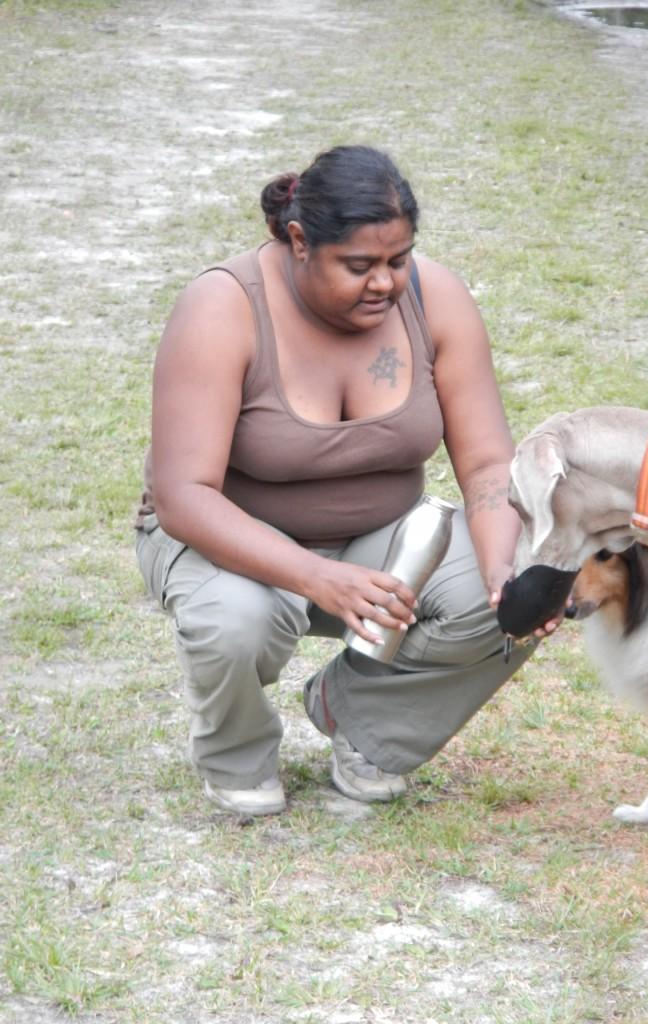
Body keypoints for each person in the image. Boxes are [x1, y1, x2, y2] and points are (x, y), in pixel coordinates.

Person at [135, 144, 541, 818]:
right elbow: (185, 496)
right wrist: (317, 578)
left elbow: (488, 465)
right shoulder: (222, 307)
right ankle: (236, 753)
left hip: (379, 541)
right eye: (359, 266)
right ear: (299, 241)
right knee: (236, 620)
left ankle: (363, 721)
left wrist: (505, 572)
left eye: (398, 261)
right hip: (228, 540)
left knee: (525, 578)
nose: (384, 283)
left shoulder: (435, 298)